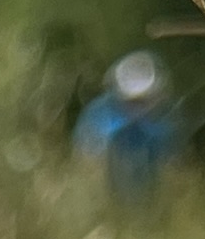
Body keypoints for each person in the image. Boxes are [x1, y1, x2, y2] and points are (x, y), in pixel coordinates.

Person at [73, 51, 174, 197]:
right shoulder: (98, 116)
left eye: (143, 101)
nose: (137, 109)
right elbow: (86, 160)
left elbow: (172, 165)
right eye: (132, 102)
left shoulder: (164, 123)